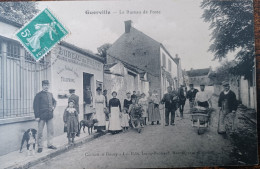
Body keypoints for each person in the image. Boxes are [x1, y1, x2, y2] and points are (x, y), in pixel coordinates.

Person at [33, 80, 57, 153]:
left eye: (47, 85)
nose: (46, 86)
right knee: (40, 132)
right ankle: (40, 146)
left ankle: (50, 144)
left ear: (48, 86)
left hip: (50, 116)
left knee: (51, 131)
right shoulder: (38, 95)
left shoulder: (50, 94)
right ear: (42, 86)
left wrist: (53, 107)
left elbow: (55, 102)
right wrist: (37, 116)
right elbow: (35, 106)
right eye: (45, 85)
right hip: (41, 116)